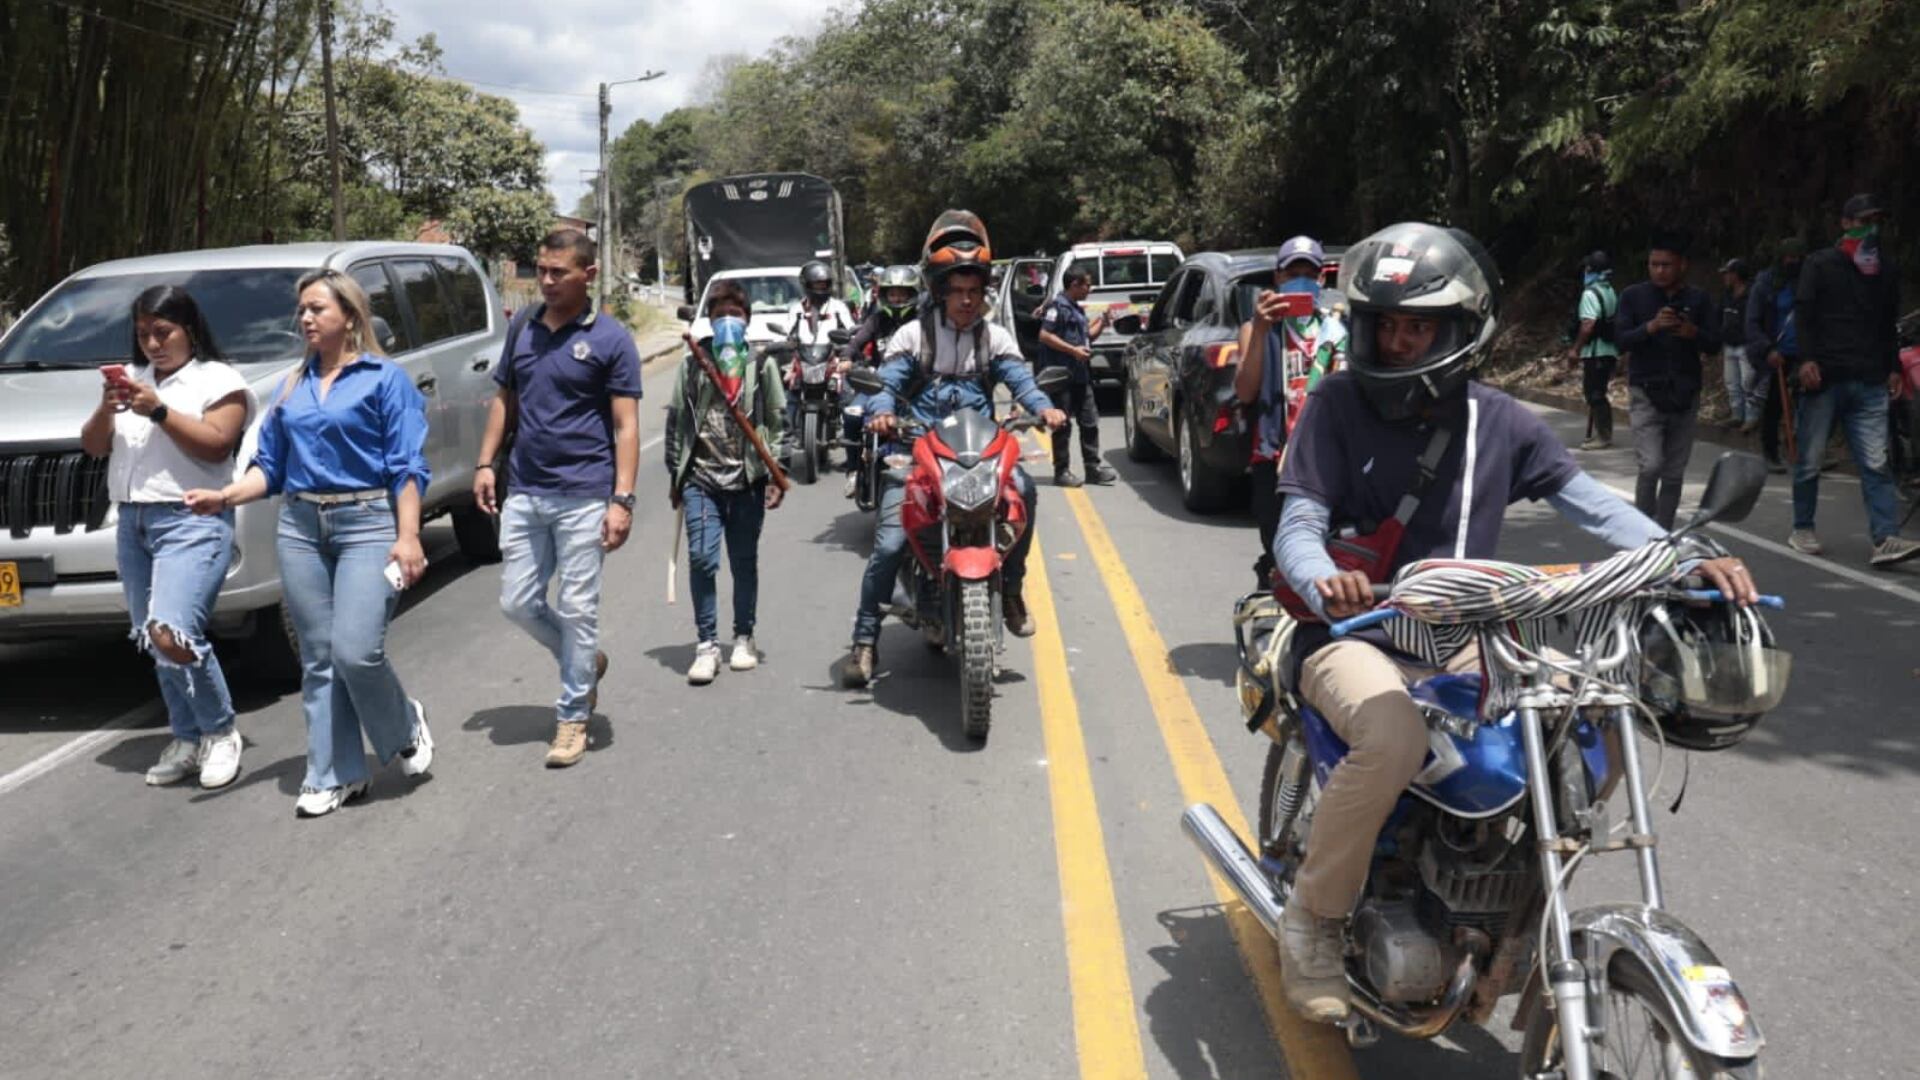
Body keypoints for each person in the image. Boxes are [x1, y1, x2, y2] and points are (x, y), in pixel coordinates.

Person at [1271, 221, 1758, 1024]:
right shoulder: (1335, 405)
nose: (1396, 342)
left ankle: (1518, 910)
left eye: (1417, 327)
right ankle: (1314, 922)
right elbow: (1298, 524)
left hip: (1472, 639)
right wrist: (1326, 582)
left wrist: (1682, 556)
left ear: (1462, 333)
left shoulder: (1498, 422)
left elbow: (1592, 505)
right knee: (1393, 738)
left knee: (1595, 725)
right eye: (1385, 325)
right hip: (1356, 635)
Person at [183, 269, 433, 819]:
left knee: (355, 651)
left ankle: (403, 724)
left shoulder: (384, 380)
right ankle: (334, 774)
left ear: (350, 315)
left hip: (367, 521)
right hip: (299, 525)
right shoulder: (291, 386)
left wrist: (409, 535)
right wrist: (225, 496)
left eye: (317, 308)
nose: (305, 318)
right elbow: (270, 466)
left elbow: (407, 467)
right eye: (301, 310)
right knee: (318, 658)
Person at [840, 210, 1066, 687]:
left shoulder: (995, 338)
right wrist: (882, 411)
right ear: (940, 292)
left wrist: (1044, 408)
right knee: (889, 544)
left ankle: (1011, 589)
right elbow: (888, 383)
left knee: (1025, 490)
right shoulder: (913, 336)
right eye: (957, 291)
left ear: (984, 293)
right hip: (916, 450)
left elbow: (1022, 381)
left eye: (974, 291)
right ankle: (864, 640)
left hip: (978, 456)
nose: (966, 300)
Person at [475, 229, 642, 768]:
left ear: (587, 275)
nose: (545, 281)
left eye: (557, 272)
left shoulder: (611, 340)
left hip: (585, 494)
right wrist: (485, 463)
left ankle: (572, 716)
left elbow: (626, 426)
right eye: (541, 270)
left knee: (577, 607)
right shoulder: (522, 326)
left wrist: (622, 500)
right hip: (526, 489)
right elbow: (505, 397)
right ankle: (584, 660)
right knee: (517, 603)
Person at [80, 286, 254, 789]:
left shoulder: (218, 379)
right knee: (154, 639)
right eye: (143, 335)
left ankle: (219, 731)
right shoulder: (134, 380)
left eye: (163, 332)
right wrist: (108, 408)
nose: (153, 344)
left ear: (189, 330)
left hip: (191, 517)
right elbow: (93, 446)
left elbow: (217, 444)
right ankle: (187, 735)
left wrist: (158, 411)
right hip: (134, 521)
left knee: (172, 632)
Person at [664, 281, 786, 683]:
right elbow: (677, 422)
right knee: (702, 558)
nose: (728, 322)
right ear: (709, 322)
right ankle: (706, 645)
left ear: (747, 320)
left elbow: (777, 421)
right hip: (702, 481)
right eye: (720, 316)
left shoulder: (761, 365)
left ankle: (743, 637)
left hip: (747, 481)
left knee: (743, 561)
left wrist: (775, 473)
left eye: (735, 315)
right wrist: (676, 475)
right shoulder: (693, 366)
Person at [1789, 194, 1919, 566]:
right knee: (1810, 461)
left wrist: (1892, 367)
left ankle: (1885, 538)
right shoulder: (1820, 264)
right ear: (1845, 223)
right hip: (1825, 380)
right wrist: (1806, 360)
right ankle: (1802, 527)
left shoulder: (1885, 270)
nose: (1871, 228)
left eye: (1877, 221)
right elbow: (1804, 315)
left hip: (1870, 380)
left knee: (1876, 464)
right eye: (1863, 220)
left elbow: (1888, 324)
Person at [1234, 235, 1346, 590]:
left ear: (1322, 279)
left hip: (1325, 459)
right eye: (1292, 274)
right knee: (1278, 550)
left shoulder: (1335, 330)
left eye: (1309, 275)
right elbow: (1245, 391)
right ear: (1278, 279)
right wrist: (1261, 328)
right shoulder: (1257, 329)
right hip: (1275, 460)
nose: (1301, 281)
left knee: (1327, 549)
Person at [1615, 233, 1721, 529]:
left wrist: (1693, 333)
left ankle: (1663, 534)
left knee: (1673, 473)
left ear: (1682, 265)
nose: (1659, 271)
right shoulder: (1633, 296)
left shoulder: (1699, 299)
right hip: (1646, 391)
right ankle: (1642, 529)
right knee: (1650, 466)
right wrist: (1650, 327)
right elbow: (1620, 340)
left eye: (1666, 265)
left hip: (1685, 392)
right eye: (1654, 264)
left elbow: (1715, 344)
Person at [842, 265, 921, 496]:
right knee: (852, 414)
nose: (897, 299)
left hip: (914, 387)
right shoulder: (876, 320)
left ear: (912, 294)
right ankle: (853, 469)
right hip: (878, 384)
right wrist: (846, 358)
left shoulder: (922, 322)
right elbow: (857, 341)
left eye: (902, 293)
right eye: (892, 293)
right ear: (884, 295)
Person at [1035, 266, 1115, 487]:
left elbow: (1087, 337)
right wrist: (1073, 351)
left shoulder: (1076, 309)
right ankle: (1061, 471)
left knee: (1090, 422)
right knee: (1062, 425)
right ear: (1074, 285)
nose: (1090, 288)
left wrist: (1102, 322)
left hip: (1081, 376)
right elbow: (1044, 335)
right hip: (1062, 377)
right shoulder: (1057, 307)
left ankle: (1092, 469)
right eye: (1087, 284)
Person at [783, 259, 858, 453]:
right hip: (805, 358)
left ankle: (849, 434)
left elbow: (851, 330)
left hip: (832, 357)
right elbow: (787, 332)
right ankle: (788, 434)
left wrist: (848, 344)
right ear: (806, 285)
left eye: (824, 284)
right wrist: (786, 343)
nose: (820, 288)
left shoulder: (838, 307)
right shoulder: (797, 309)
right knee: (791, 390)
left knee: (846, 391)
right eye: (816, 284)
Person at [1746, 238, 1807, 473]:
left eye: (1798, 258)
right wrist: (1767, 349)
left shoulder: (1807, 281)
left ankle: (1805, 450)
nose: (1794, 262)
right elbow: (1752, 322)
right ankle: (1770, 452)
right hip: (1775, 354)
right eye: (1789, 257)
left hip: (1804, 354)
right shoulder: (1765, 285)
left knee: (1808, 404)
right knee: (1774, 406)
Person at [1564, 250, 1621, 450]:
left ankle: (1604, 436)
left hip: (1596, 351)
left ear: (1590, 270)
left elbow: (1588, 324)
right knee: (1597, 391)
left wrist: (1575, 350)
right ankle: (1601, 432)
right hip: (1608, 350)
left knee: (1594, 393)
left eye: (1587, 268)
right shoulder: (1609, 290)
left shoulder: (1590, 293)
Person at [1717, 258, 1756, 430]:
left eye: (1728, 273)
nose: (1725, 277)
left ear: (1736, 275)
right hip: (1729, 344)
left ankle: (1752, 416)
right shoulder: (1727, 294)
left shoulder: (1752, 294)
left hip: (1746, 345)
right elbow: (1719, 315)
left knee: (1748, 382)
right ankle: (1737, 415)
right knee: (1731, 382)